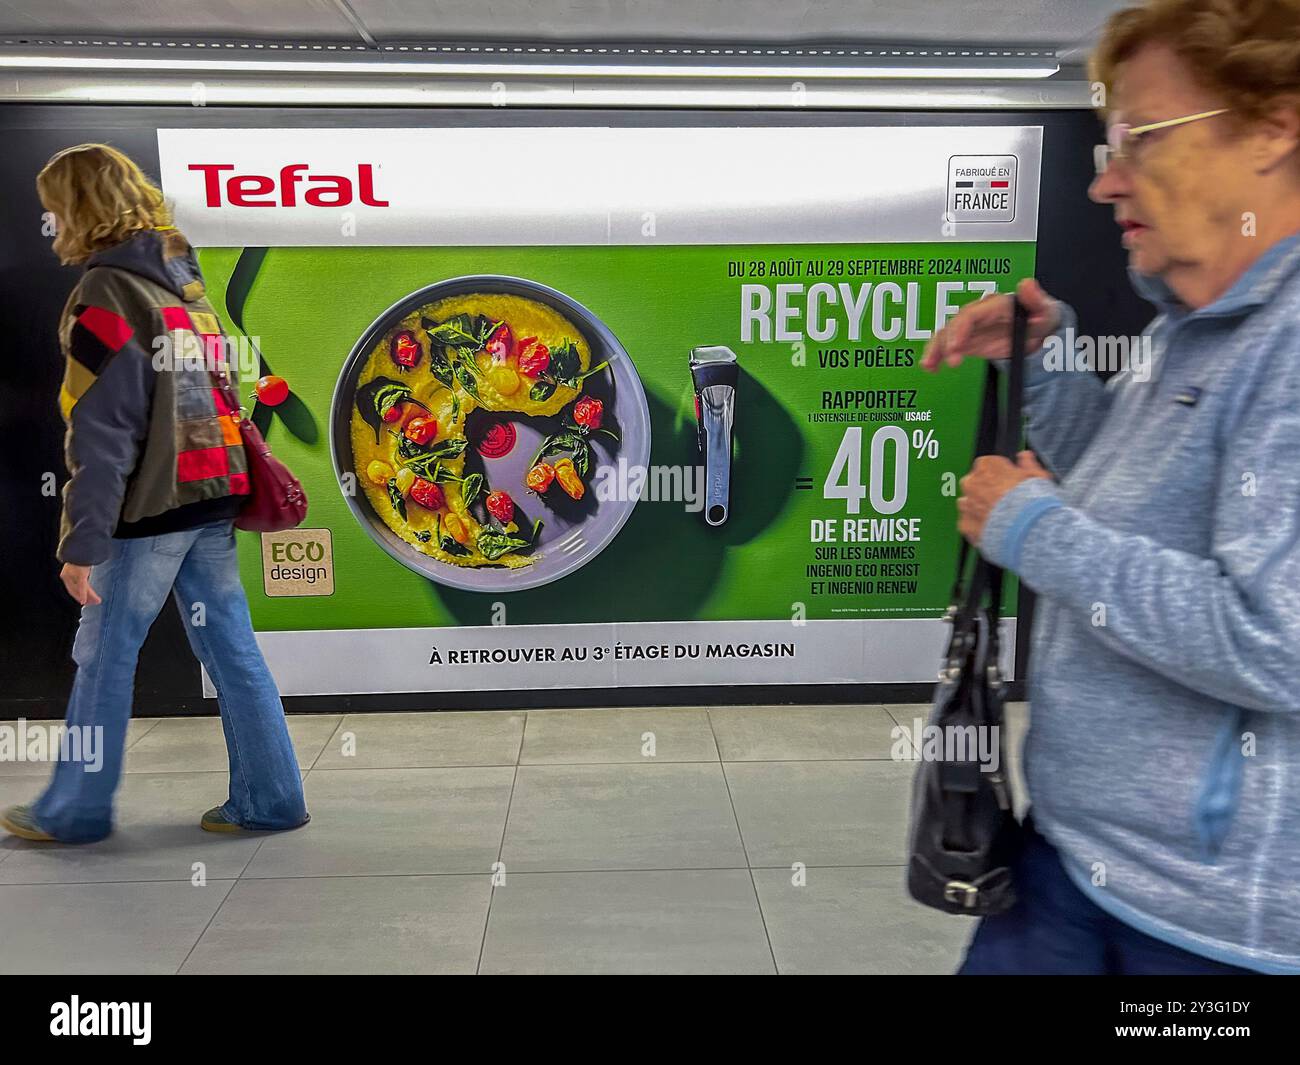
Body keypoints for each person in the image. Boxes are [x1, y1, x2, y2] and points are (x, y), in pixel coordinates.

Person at [923, 0, 1300, 974]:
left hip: (1207, 933)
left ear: (1274, 127)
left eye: (1141, 138)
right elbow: (1134, 504)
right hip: (1070, 866)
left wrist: (1031, 529)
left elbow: (1278, 639)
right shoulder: (1189, 325)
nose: (1106, 182)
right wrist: (1042, 370)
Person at [0, 144, 309, 843]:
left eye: (55, 205)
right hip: (213, 497)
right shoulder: (182, 280)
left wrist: (82, 543)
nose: (49, 220)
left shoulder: (106, 293)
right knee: (233, 649)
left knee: (104, 655)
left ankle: (74, 808)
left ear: (80, 209)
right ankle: (273, 797)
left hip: (151, 509)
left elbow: (104, 428)